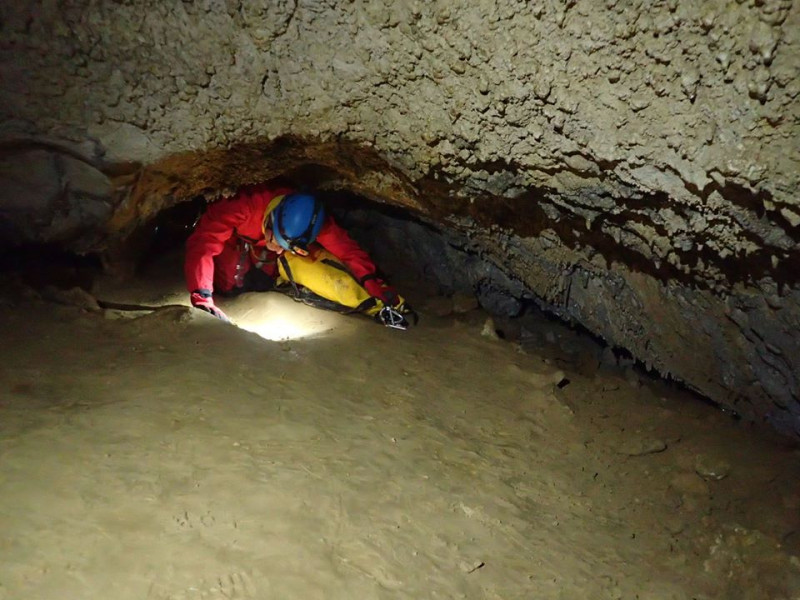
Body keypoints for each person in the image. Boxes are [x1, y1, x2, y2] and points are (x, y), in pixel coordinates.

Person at [184, 183, 415, 328]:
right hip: (239, 243)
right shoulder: (241, 205)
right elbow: (204, 243)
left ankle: (375, 306)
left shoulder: (316, 223)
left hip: (272, 259)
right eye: (275, 240)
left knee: (321, 271)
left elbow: (349, 252)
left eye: (283, 245)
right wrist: (202, 296)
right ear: (271, 219)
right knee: (229, 282)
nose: (277, 247)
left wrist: (379, 289)